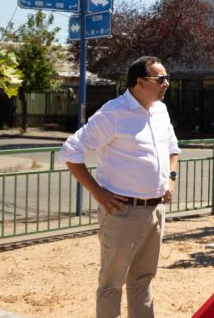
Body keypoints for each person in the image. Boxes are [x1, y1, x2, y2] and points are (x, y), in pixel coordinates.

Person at [59, 56, 180, 318]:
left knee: (143, 279)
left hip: (155, 210)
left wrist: (170, 179)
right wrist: (97, 192)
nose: (166, 83)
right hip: (122, 211)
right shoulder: (113, 113)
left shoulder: (160, 110)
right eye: (160, 79)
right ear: (139, 82)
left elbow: (173, 149)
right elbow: (70, 152)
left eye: (166, 78)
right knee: (112, 283)